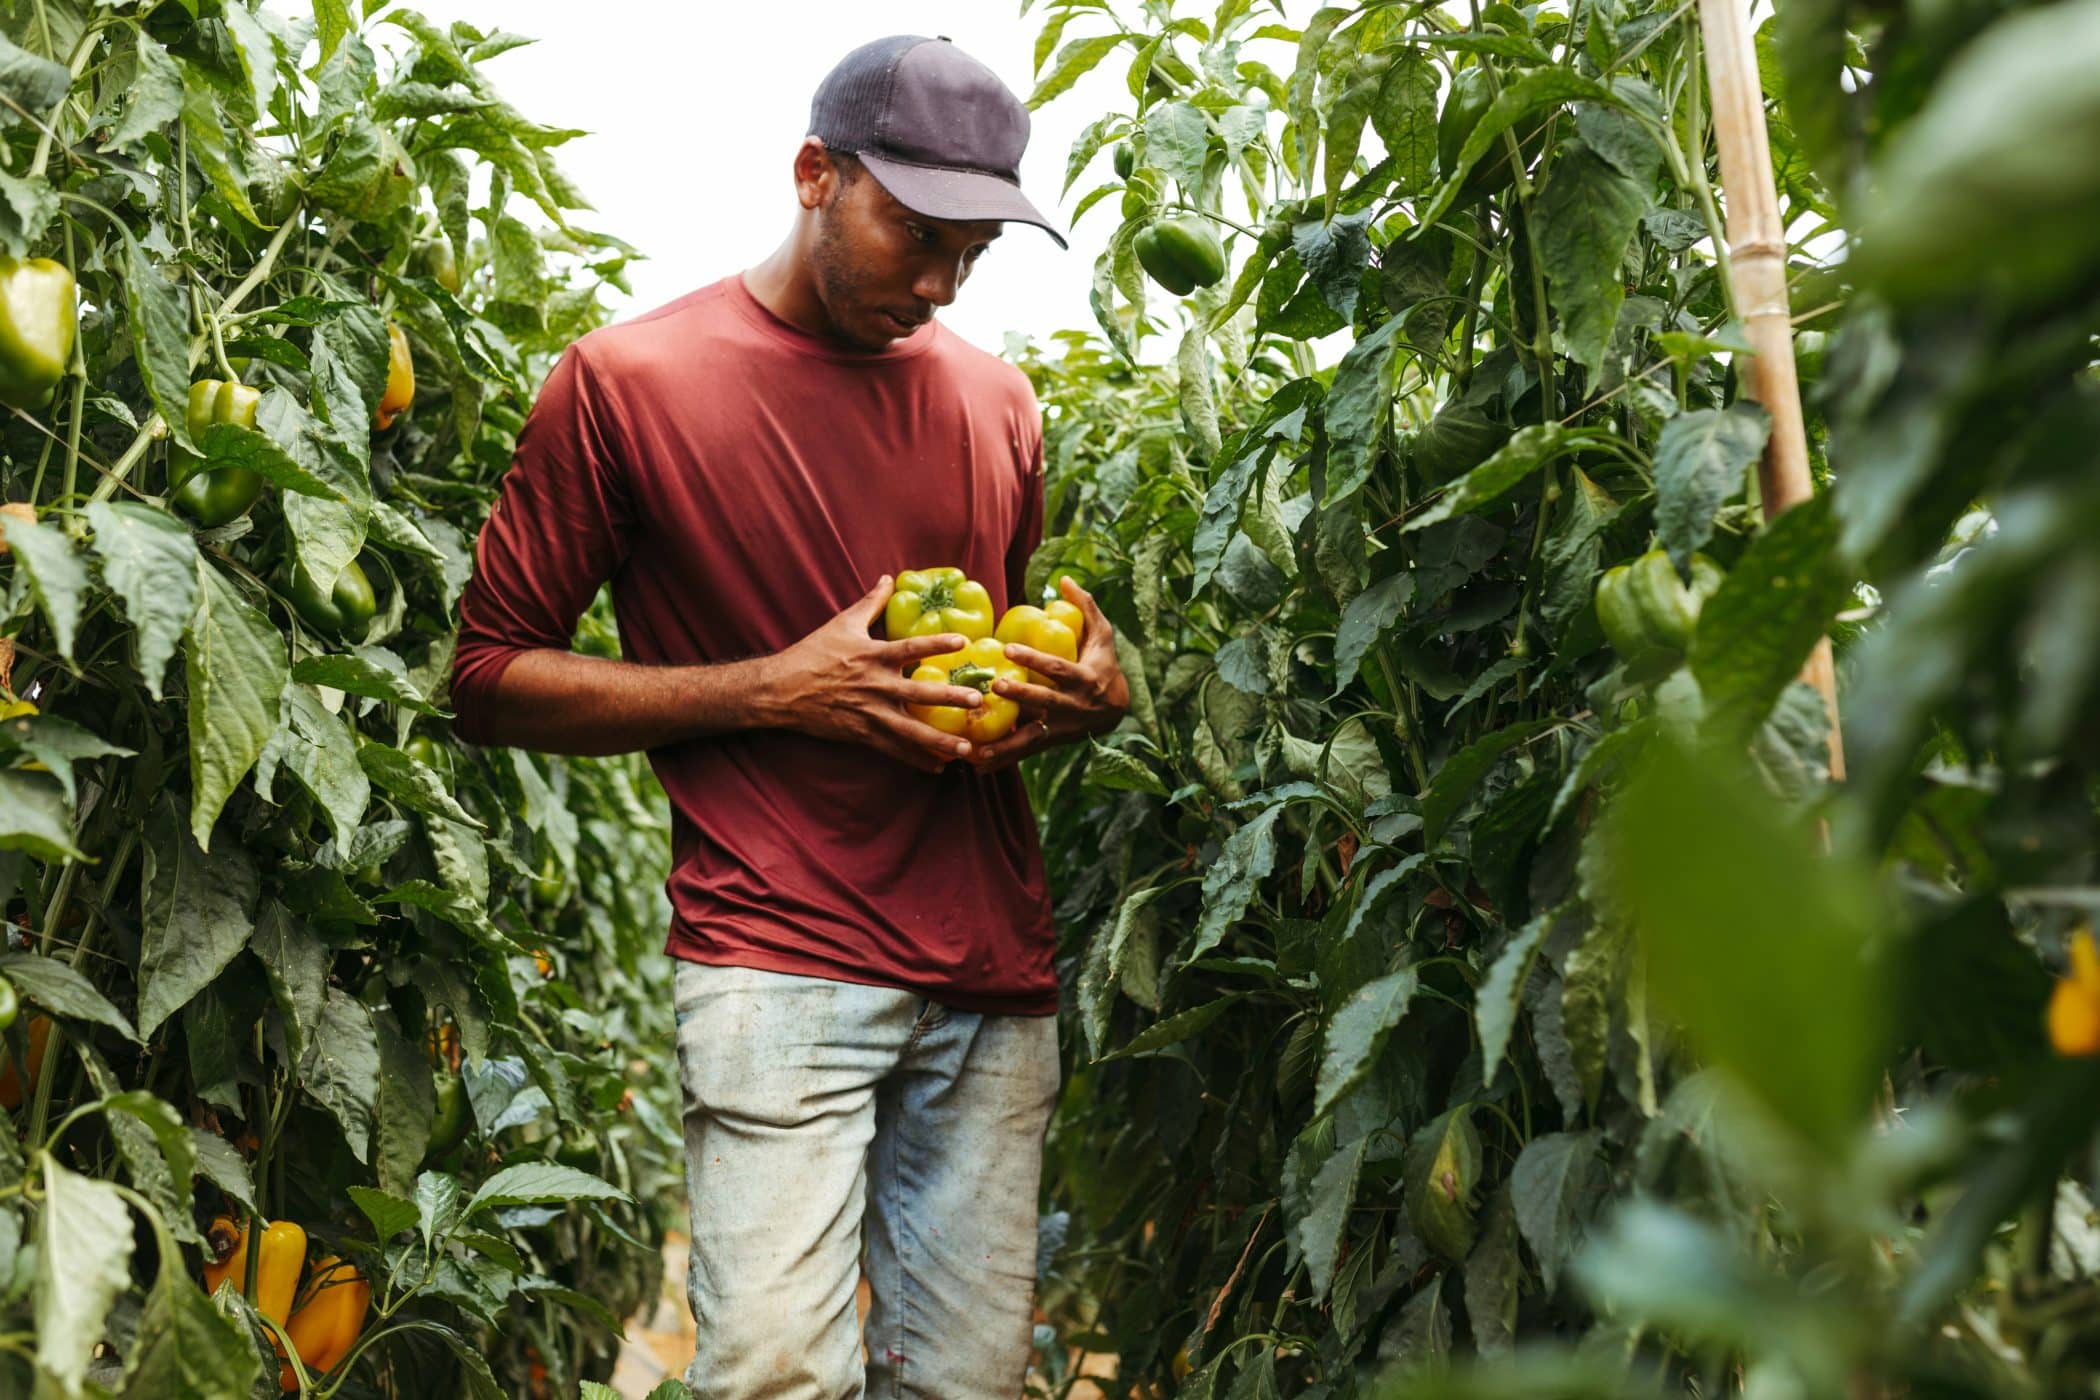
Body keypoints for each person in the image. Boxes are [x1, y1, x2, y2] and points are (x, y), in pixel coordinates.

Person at [448, 33, 1131, 1399]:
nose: (939, 285)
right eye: (917, 237)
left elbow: (978, 671)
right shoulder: (627, 384)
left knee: (970, 1387)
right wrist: (776, 686)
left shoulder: (997, 401)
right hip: (777, 958)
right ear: (817, 173)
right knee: (772, 1377)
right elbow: (488, 678)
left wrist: (1085, 696)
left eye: (973, 257)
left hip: (991, 976)